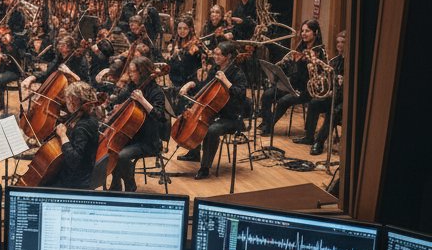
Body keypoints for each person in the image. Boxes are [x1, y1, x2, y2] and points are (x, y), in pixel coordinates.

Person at [177, 41, 250, 179]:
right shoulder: (215, 69)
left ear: (228, 56)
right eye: (215, 54)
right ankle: (194, 152)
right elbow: (206, 87)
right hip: (215, 112)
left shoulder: (237, 73)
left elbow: (241, 95)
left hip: (232, 117)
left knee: (212, 130)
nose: (215, 57)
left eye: (218, 54)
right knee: (196, 119)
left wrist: (226, 81)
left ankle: (205, 168)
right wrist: (191, 84)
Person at [106, 55, 167, 193]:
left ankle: (130, 185)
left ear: (142, 72)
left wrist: (142, 100)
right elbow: (118, 101)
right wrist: (116, 107)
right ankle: (116, 185)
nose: (130, 74)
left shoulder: (156, 92)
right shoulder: (132, 86)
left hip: (148, 141)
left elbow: (160, 117)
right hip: (131, 137)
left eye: (132, 71)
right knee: (112, 149)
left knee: (122, 156)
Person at [259, 20, 325, 137]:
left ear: (315, 33)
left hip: (307, 89)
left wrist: (312, 60)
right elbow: (287, 61)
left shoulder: (320, 51)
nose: (303, 33)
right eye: (302, 31)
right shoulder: (300, 48)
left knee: (283, 101)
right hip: (292, 85)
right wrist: (276, 68)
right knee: (267, 95)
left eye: (307, 31)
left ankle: (268, 126)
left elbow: (320, 74)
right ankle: (266, 122)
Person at [296, 28, 344, 155]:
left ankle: (319, 142)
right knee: (314, 103)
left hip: (345, 102)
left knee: (334, 111)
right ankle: (309, 137)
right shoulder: (334, 61)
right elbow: (328, 81)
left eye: (343, 42)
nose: (339, 45)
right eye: (338, 42)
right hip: (332, 96)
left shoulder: (352, 64)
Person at [51, 81, 102, 189]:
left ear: (74, 102)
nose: (67, 102)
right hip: (78, 173)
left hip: (76, 180)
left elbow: (74, 160)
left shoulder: (82, 127)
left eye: (69, 99)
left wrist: (63, 135)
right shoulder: (88, 118)